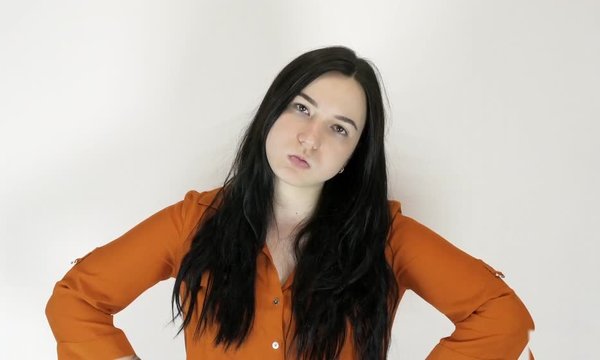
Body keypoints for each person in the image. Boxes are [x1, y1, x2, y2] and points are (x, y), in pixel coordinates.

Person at [45, 46, 535, 360]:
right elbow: (77, 299)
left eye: (339, 128)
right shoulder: (192, 222)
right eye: (301, 108)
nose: (310, 137)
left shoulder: (387, 237)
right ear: (270, 113)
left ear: (353, 155)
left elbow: (500, 315)